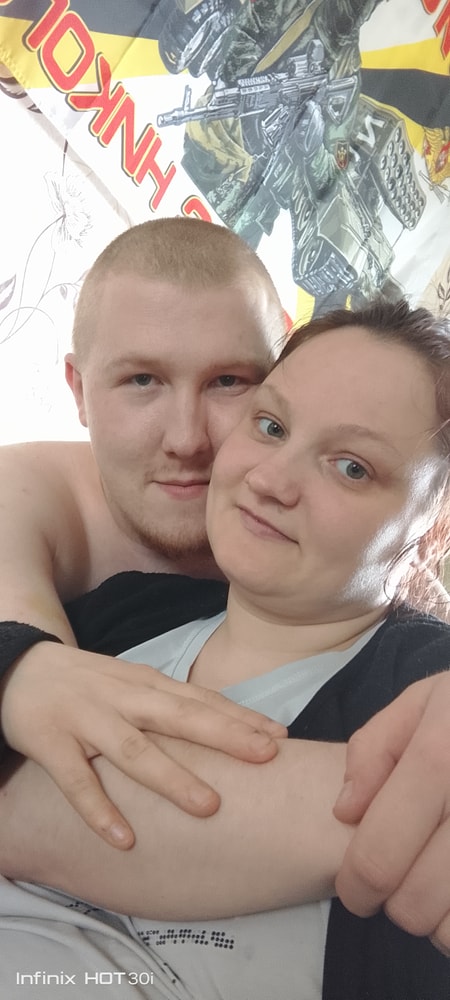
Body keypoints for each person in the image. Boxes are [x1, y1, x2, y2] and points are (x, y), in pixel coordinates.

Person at [0, 218, 449, 941]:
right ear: (78, 390)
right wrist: (22, 665)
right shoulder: (86, 557)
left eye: (230, 384)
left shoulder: (408, 669)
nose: (188, 439)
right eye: (142, 380)